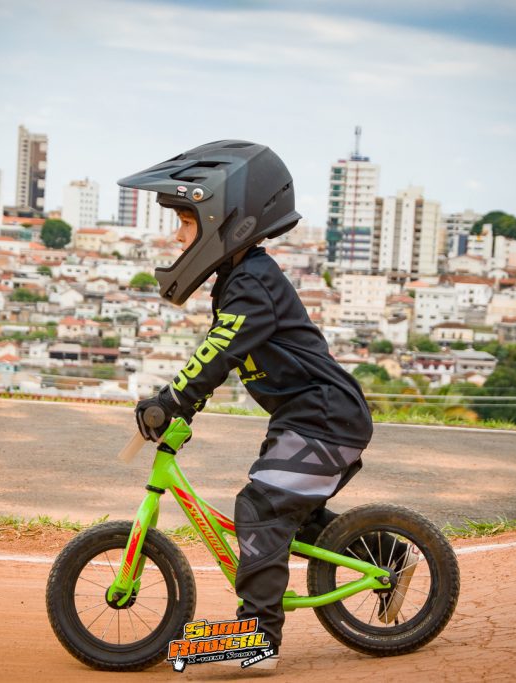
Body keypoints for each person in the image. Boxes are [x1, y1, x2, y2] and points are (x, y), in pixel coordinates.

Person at [119, 140, 374, 665]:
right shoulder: (241, 279)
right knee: (292, 514)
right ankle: (385, 552)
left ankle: (259, 639)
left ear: (220, 220)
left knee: (260, 506)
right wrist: (183, 406)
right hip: (313, 416)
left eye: (186, 221)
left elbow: (220, 348)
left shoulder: (252, 282)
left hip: (323, 418)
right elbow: (225, 357)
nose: (178, 234)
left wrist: (173, 398)